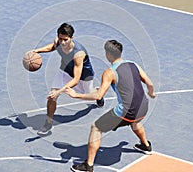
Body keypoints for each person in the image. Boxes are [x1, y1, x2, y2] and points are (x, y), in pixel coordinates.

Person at [65, 40, 156, 172]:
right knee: (135, 122)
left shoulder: (110, 72)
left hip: (127, 111)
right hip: (143, 107)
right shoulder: (133, 65)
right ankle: (146, 145)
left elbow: (98, 96)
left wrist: (76, 95)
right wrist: (151, 93)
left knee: (96, 127)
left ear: (108, 54)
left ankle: (88, 165)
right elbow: (149, 83)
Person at [33, 23, 104, 136]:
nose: (62, 42)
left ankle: (99, 92)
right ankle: (48, 122)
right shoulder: (58, 42)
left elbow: (76, 79)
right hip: (64, 71)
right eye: (60, 39)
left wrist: (60, 91)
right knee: (52, 96)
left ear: (72, 38)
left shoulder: (78, 53)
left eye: (65, 40)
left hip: (83, 76)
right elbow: (52, 46)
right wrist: (37, 51)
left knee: (89, 96)